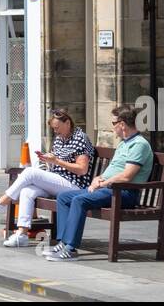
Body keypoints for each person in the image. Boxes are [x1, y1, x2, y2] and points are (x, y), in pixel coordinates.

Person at [45, 104, 155, 261]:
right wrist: (99, 178)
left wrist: (103, 183)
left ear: (122, 125)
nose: (112, 128)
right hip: (109, 189)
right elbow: (114, 170)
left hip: (124, 193)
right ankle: (63, 242)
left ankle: (71, 248)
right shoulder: (124, 143)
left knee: (79, 200)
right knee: (64, 197)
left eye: (113, 123)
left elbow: (126, 176)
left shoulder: (139, 145)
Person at [0, 107, 97, 247]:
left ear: (68, 123)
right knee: (26, 191)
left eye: (57, 127)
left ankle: (1, 202)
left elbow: (82, 170)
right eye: (53, 128)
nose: (55, 131)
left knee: (29, 173)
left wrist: (56, 161)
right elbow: (56, 161)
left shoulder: (80, 138)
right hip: (58, 180)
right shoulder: (60, 138)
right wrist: (48, 160)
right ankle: (21, 234)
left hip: (74, 184)